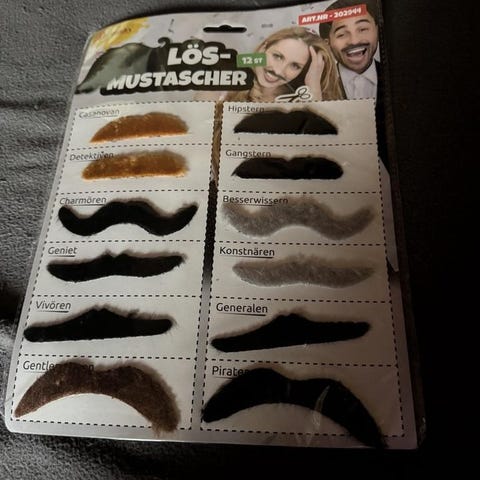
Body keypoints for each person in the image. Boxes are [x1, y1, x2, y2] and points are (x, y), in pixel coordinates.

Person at [221, 27, 344, 102]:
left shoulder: (297, 100)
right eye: (277, 56)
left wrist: (314, 90)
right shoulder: (228, 77)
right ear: (264, 47)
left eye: (295, 66)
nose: (279, 71)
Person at [318, 0, 380, 100]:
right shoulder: (317, 86)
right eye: (341, 34)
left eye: (363, 29)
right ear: (327, 44)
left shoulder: (400, 75)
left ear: (378, 31)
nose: (354, 41)